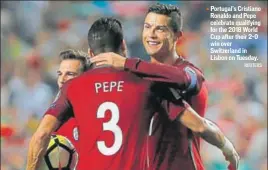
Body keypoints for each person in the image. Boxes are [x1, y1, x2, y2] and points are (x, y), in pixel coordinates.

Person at [27, 17, 238, 170]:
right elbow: (199, 125)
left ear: (91, 54)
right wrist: (227, 148)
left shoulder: (72, 87)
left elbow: (42, 134)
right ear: (123, 47)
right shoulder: (147, 83)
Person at [89, 3, 239, 170]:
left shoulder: (189, 72)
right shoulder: (140, 79)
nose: (151, 34)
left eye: (160, 29)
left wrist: (125, 63)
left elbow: (197, 117)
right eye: (147, 27)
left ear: (177, 36)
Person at [54, 49, 91, 150]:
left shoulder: (98, 115)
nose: (62, 80)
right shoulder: (54, 120)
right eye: (60, 74)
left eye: (69, 74)